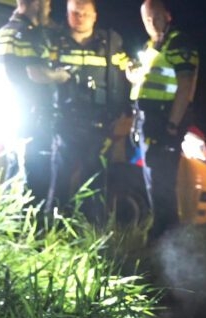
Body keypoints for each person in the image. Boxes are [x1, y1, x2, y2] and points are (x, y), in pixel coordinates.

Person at [49, 0, 130, 222]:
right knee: (60, 181)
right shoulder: (55, 43)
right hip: (64, 123)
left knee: (94, 183)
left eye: (85, 13)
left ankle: (90, 231)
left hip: (99, 126)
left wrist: (123, 115)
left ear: (95, 15)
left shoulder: (110, 45)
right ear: (67, 14)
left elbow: (124, 78)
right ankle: (54, 228)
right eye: (75, 12)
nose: (80, 17)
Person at [0, 0, 71, 205]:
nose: (49, 9)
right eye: (48, 4)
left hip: (11, 113)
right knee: (33, 173)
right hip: (33, 116)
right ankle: (29, 224)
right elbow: (35, 72)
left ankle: (6, 220)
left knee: (14, 167)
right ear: (36, 4)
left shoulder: (6, 30)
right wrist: (61, 76)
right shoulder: (29, 32)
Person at [127, 0, 198, 242]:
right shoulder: (153, 46)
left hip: (164, 118)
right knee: (154, 178)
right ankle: (165, 233)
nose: (152, 22)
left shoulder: (177, 41)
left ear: (167, 15)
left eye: (156, 16)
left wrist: (172, 126)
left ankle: (164, 234)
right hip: (149, 119)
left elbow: (186, 85)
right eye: (147, 18)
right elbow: (149, 80)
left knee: (161, 179)